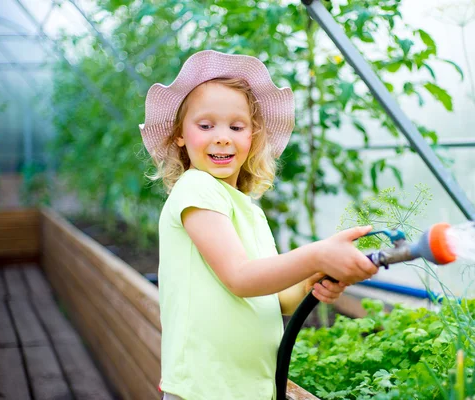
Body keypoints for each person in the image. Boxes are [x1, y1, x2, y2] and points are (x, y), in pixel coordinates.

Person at [139, 50, 378, 400]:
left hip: (247, 388)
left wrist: (313, 280)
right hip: (205, 389)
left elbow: (279, 298)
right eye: (206, 126)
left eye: (236, 127)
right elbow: (240, 277)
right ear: (179, 134)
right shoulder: (196, 188)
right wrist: (317, 256)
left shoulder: (248, 209)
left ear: (252, 136)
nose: (222, 137)